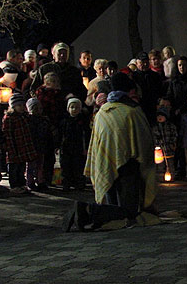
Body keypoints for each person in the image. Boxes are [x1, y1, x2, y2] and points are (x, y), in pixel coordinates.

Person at [65, 72, 157, 232]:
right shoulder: (132, 111)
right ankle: (86, 210)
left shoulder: (102, 112)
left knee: (112, 203)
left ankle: (90, 211)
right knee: (128, 212)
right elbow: (144, 140)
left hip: (105, 163)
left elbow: (96, 141)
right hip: (129, 164)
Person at [2, 93, 37, 195]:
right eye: (19, 106)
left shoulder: (24, 117)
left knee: (21, 167)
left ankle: (22, 184)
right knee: (14, 168)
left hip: (23, 146)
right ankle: (14, 186)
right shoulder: (9, 118)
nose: (22, 108)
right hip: (14, 147)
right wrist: (10, 148)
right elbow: (7, 134)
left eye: (23, 105)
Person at [60, 98, 90, 191]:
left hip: (79, 147)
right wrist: (58, 146)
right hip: (66, 147)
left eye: (77, 107)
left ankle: (79, 183)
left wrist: (86, 147)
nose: (74, 109)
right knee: (66, 166)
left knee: (78, 166)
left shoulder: (83, 121)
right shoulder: (64, 121)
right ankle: (67, 183)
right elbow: (61, 134)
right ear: (68, 108)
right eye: (72, 107)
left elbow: (86, 135)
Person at [26, 98, 53, 192]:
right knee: (30, 165)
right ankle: (30, 182)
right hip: (32, 146)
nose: (38, 111)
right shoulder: (28, 120)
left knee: (40, 165)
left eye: (39, 108)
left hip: (41, 145)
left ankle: (40, 181)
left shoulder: (44, 120)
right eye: (35, 108)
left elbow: (48, 132)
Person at [132, 52, 164, 124]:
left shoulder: (155, 76)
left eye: (146, 62)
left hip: (153, 107)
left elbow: (160, 91)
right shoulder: (133, 77)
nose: (145, 65)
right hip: (138, 108)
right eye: (142, 63)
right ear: (137, 63)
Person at [153, 107, 178, 181]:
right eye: (158, 116)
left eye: (162, 116)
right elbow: (153, 137)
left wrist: (172, 143)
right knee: (160, 164)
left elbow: (174, 135)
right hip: (159, 150)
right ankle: (160, 177)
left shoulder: (171, 126)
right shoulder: (155, 128)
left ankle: (171, 176)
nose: (160, 118)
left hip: (169, 148)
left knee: (170, 163)